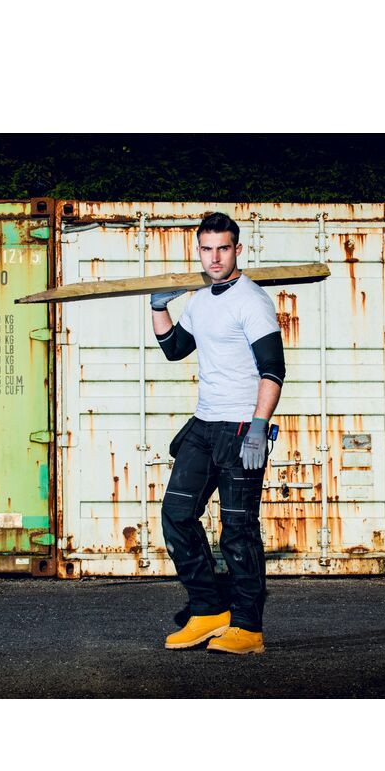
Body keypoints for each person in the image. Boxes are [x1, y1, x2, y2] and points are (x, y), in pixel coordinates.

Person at [151, 212, 285, 655]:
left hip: (241, 427)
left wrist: (259, 426)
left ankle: (248, 627)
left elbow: (273, 369)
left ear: (237, 250)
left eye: (223, 248)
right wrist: (158, 308)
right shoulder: (201, 300)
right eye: (207, 249)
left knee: (238, 530)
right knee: (176, 515)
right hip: (204, 425)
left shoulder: (252, 301)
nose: (214, 257)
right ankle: (208, 610)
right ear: (199, 251)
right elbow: (175, 349)